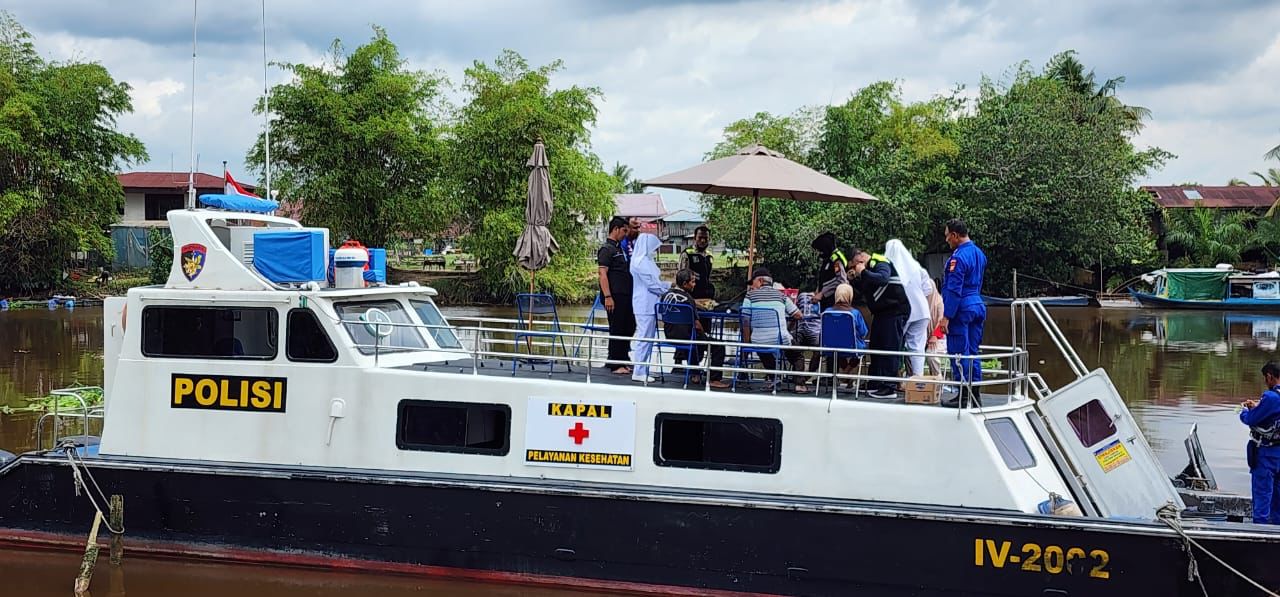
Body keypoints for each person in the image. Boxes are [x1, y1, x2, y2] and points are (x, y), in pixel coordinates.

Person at [849, 248, 912, 399]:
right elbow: (866, 291)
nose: (853, 270)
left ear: (860, 260)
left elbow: (883, 279)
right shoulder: (870, 270)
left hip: (894, 311)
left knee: (889, 348)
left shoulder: (880, 262)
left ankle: (889, 387)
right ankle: (875, 382)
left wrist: (862, 272)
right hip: (881, 313)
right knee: (876, 347)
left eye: (852, 266)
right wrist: (854, 280)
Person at [940, 218, 988, 403]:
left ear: (955, 235)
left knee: (959, 352)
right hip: (977, 304)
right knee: (973, 352)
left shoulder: (958, 258)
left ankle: (963, 394)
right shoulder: (979, 254)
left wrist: (946, 316)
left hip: (962, 308)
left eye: (947, 236)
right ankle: (975, 393)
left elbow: (953, 289)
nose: (947, 241)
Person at [659, 270, 727, 387]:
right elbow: (696, 324)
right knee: (717, 346)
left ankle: (695, 373)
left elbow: (662, 316)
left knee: (694, 341)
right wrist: (704, 334)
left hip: (670, 335)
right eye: (693, 282)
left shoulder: (665, 296)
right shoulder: (688, 299)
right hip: (687, 336)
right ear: (685, 284)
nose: (695, 284)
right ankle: (714, 379)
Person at [741, 268, 801, 387]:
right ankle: (799, 384)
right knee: (798, 356)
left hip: (758, 341)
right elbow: (798, 315)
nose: (751, 287)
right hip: (780, 339)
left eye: (753, 283)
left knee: (763, 349)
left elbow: (745, 320)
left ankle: (775, 378)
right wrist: (787, 328)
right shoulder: (781, 295)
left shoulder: (750, 296)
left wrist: (747, 343)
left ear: (761, 281)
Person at [883, 239, 931, 377]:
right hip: (922, 312)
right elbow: (928, 289)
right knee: (917, 348)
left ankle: (892, 378)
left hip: (902, 311)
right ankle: (918, 379)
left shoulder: (890, 269)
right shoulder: (916, 267)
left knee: (894, 345)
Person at [1241, 361, 1280, 525]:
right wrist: (1258, 406)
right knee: (1277, 500)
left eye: (1266, 378)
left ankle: (1259, 533)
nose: (1266, 382)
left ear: (1270, 376)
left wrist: (1244, 410)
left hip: (1266, 455)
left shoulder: (1270, 397)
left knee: (1262, 496)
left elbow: (1250, 419)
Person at [596, 217, 634, 375]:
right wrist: (608, 296)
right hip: (614, 295)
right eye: (624, 230)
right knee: (617, 327)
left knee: (629, 325)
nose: (626, 234)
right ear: (616, 229)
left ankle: (622, 358)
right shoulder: (607, 249)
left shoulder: (620, 250)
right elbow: (602, 274)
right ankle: (615, 363)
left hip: (625, 296)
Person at [630, 233, 668, 383]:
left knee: (648, 337)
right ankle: (638, 370)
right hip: (644, 304)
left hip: (650, 303)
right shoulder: (641, 262)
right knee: (644, 337)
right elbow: (652, 285)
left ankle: (643, 368)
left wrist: (667, 286)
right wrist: (666, 290)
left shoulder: (646, 260)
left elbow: (655, 282)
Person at [810, 232, 848, 311]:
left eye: (819, 250)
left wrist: (822, 293)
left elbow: (841, 281)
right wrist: (818, 290)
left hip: (834, 302)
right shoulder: (828, 259)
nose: (819, 253)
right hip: (825, 301)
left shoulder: (836, 261)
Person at [678, 226, 716, 302]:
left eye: (706, 238)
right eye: (700, 237)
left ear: (709, 239)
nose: (703, 240)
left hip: (706, 295)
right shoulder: (687, 254)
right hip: (691, 296)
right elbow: (681, 278)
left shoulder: (709, 256)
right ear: (695, 238)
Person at [925, 277, 948, 377]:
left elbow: (941, 321)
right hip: (923, 337)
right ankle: (913, 379)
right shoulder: (920, 303)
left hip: (938, 338)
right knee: (910, 353)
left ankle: (937, 378)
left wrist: (934, 336)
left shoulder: (940, 302)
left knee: (931, 355)